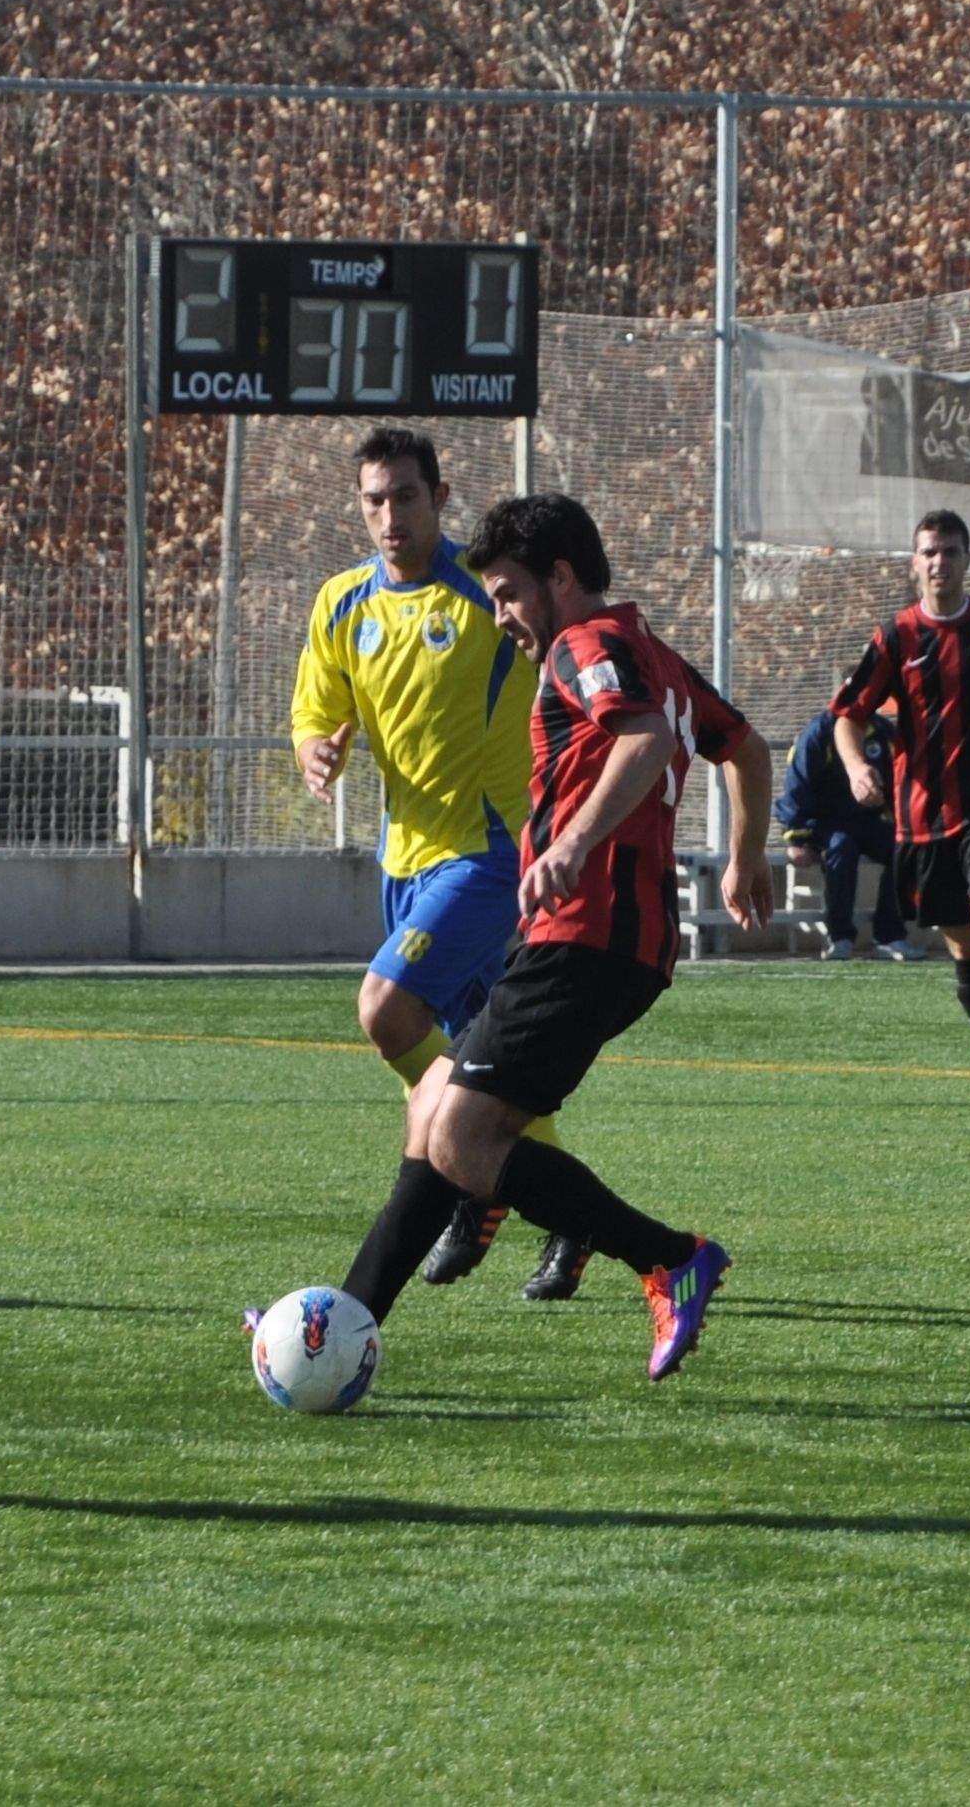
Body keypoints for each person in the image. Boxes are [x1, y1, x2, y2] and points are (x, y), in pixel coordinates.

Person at [266, 493, 769, 1381]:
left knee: (464, 1138)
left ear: (560, 580)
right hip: (615, 944)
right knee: (436, 1115)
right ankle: (342, 1322)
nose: (500, 616)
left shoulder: (587, 646)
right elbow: (746, 746)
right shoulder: (653, 651)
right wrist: (746, 856)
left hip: (582, 936)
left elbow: (645, 740)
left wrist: (575, 843)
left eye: (506, 594)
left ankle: (668, 1257)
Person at [289, 427, 589, 1303]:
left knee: (386, 1010)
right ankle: (555, 1209)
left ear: (441, 497)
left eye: (407, 496)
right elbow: (317, 708)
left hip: (489, 853)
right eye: (375, 500)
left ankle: (467, 1179)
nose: (391, 515)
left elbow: (566, 638)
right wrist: (315, 751)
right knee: (486, 1063)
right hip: (405, 863)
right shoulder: (342, 604)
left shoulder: (482, 594)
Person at [831, 510, 970, 1110]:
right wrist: (858, 768)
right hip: (923, 817)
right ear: (915, 563)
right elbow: (848, 716)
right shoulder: (895, 638)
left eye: (951, 551)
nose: (940, 562)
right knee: (962, 944)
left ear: (968, 560)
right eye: (930, 552)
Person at [773, 704, 922, 962]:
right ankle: (839, 936)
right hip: (824, 823)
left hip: (867, 820)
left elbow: (901, 784)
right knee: (842, 847)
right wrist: (797, 838)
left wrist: (906, 822)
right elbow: (798, 786)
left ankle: (890, 935)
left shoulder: (884, 733)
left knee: (906, 848)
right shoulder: (819, 732)